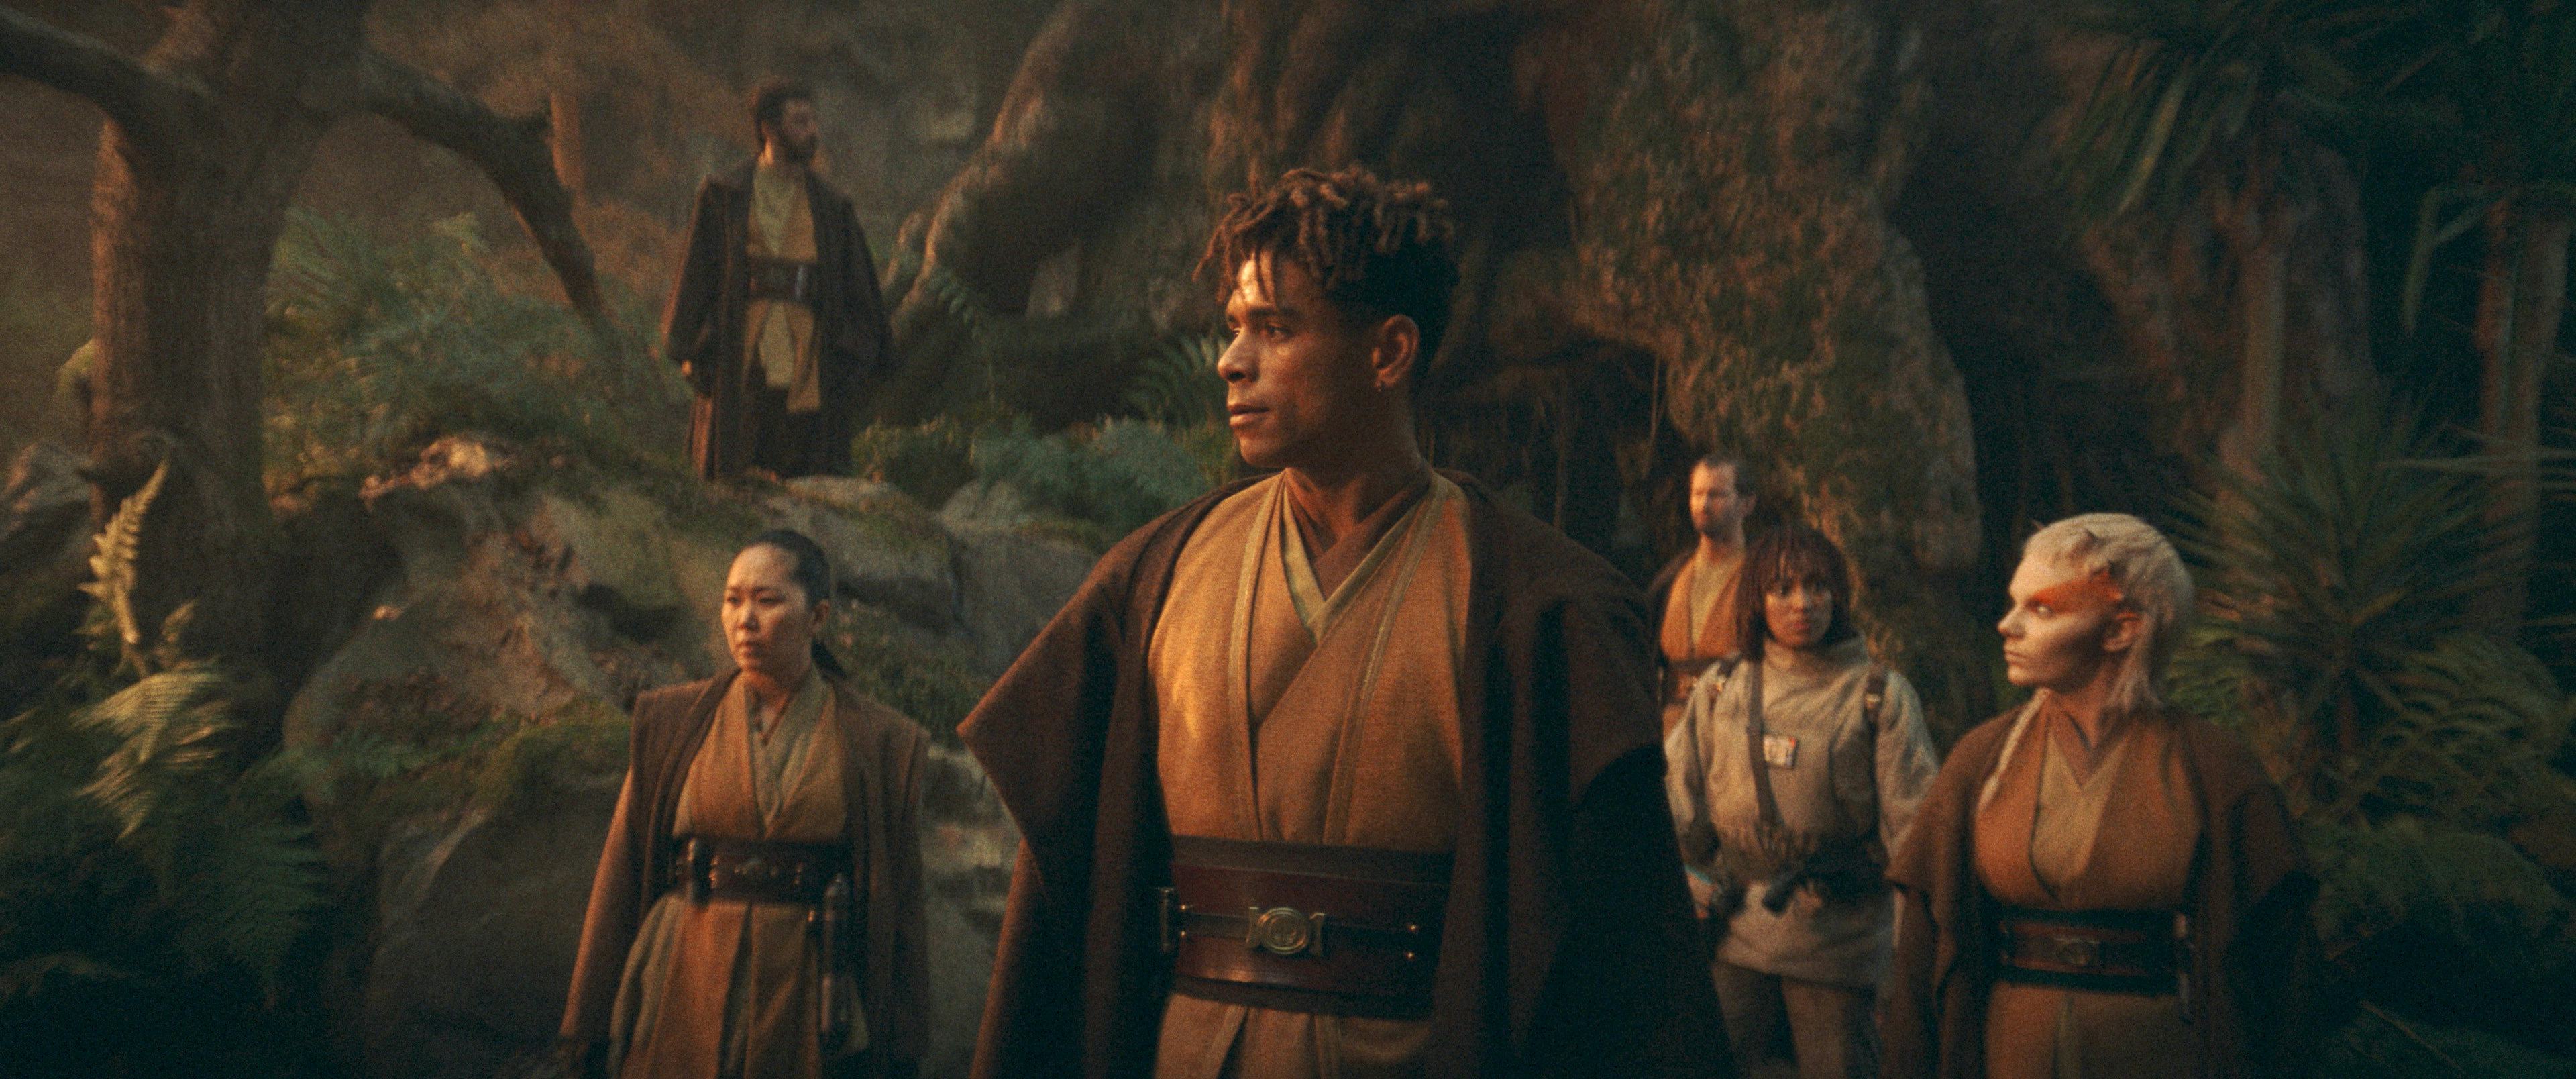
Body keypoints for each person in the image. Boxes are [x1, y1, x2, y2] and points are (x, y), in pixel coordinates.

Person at [957, 165, 1728, 1079]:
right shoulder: (1153, 578)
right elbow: (1056, 914)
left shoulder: (1539, 606)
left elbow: (1629, 974)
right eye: (1234, 326)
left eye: (1276, 329)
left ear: (1388, 351)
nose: (1230, 360)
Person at [1878, 513, 2316, 1079]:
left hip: (2157, 1052)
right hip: (2011, 1050)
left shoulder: (2214, 772)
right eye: (2014, 604)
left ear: (2121, 631)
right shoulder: (1981, 760)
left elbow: (2282, 975)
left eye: (2042, 609)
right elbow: (1922, 956)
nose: (2007, 626)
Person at [559, 530, 929, 1078]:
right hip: (683, 966)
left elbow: (901, 902)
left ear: (818, 617)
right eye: (733, 600)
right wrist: (587, 1025)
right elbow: (622, 871)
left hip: (807, 982)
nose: (745, 620)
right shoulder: (673, 723)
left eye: (768, 600)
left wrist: (902, 1040)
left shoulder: (879, 740)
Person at [1665, 523, 1939, 1079]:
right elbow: (1678, 803)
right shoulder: (1722, 687)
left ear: (1838, 595)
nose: (1802, 604)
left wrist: (1907, 961)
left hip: (1838, 937)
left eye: (1818, 587)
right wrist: (1691, 886)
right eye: (1782, 588)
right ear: (1757, 599)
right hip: (1734, 927)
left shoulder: (1877, 697)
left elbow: (1915, 834)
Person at [665, 81, 895, 481]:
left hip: (807, 368)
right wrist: (692, 347)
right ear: (769, 128)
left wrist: (852, 360)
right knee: (736, 483)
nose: (812, 131)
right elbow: (697, 276)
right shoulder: (725, 196)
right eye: (800, 122)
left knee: (806, 486)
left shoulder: (832, 208)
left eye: (813, 121)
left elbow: (860, 293)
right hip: (743, 363)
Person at [1646, 454, 1758, 734]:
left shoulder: (1760, 577)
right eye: (1697, 494)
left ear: (1746, 504)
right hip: (1673, 726)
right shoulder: (1671, 579)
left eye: (1717, 495)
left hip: (1736, 723)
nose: (1704, 505)